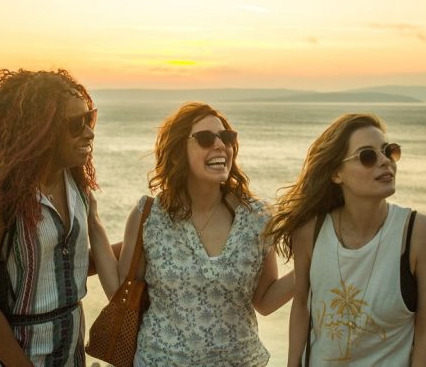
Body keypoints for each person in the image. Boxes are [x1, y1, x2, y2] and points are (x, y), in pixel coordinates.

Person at [0, 69, 118, 366]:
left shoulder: (74, 182)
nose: (89, 132)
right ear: (39, 130)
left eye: (90, 118)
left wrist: (149, 239)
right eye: (76, 124)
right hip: (13, 358)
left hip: (71, 354)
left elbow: (69, 266)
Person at [114, 102, 293, 366]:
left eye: (227, 138)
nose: (220, 145)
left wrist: (311, 265)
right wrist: (94, 225)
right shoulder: (149, 215)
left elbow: (264, 301)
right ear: (177, 153)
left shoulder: (257, 217)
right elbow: (121, 293)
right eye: (206, 139)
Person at [264, 113, 426, 367]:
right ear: (337, 173)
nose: (385, 161)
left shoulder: (420, 234)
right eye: (368, 156)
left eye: (388, 151)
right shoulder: (310, 232)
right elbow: (302, 307)